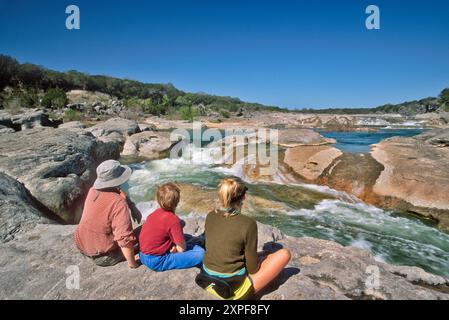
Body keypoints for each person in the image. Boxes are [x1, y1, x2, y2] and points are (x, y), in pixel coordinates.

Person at [199, 177, 291, 300]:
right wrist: (261, 259)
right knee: (284, 254)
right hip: (232, 290)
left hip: (207, 280)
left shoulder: (210, 215)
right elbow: (253, 269)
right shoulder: (248, 224)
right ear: (244, 197)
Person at [74, 160, 140, 268]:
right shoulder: (118, 202)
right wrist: (132, 263)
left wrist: (132, 206)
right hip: (105, 257)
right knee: (148, 232)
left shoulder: (93, 190)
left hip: (82, 246)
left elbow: (117, 190)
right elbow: (124, 239)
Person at [138, 182, 205, 271]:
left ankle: (197, 242)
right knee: (201, 253)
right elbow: (182, 249)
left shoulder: (154, 213)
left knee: (186, 237)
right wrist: (176, 250)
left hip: (143, 255)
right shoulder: (173, 220)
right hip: (157, 261)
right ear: (177, 202)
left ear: (158, 199)